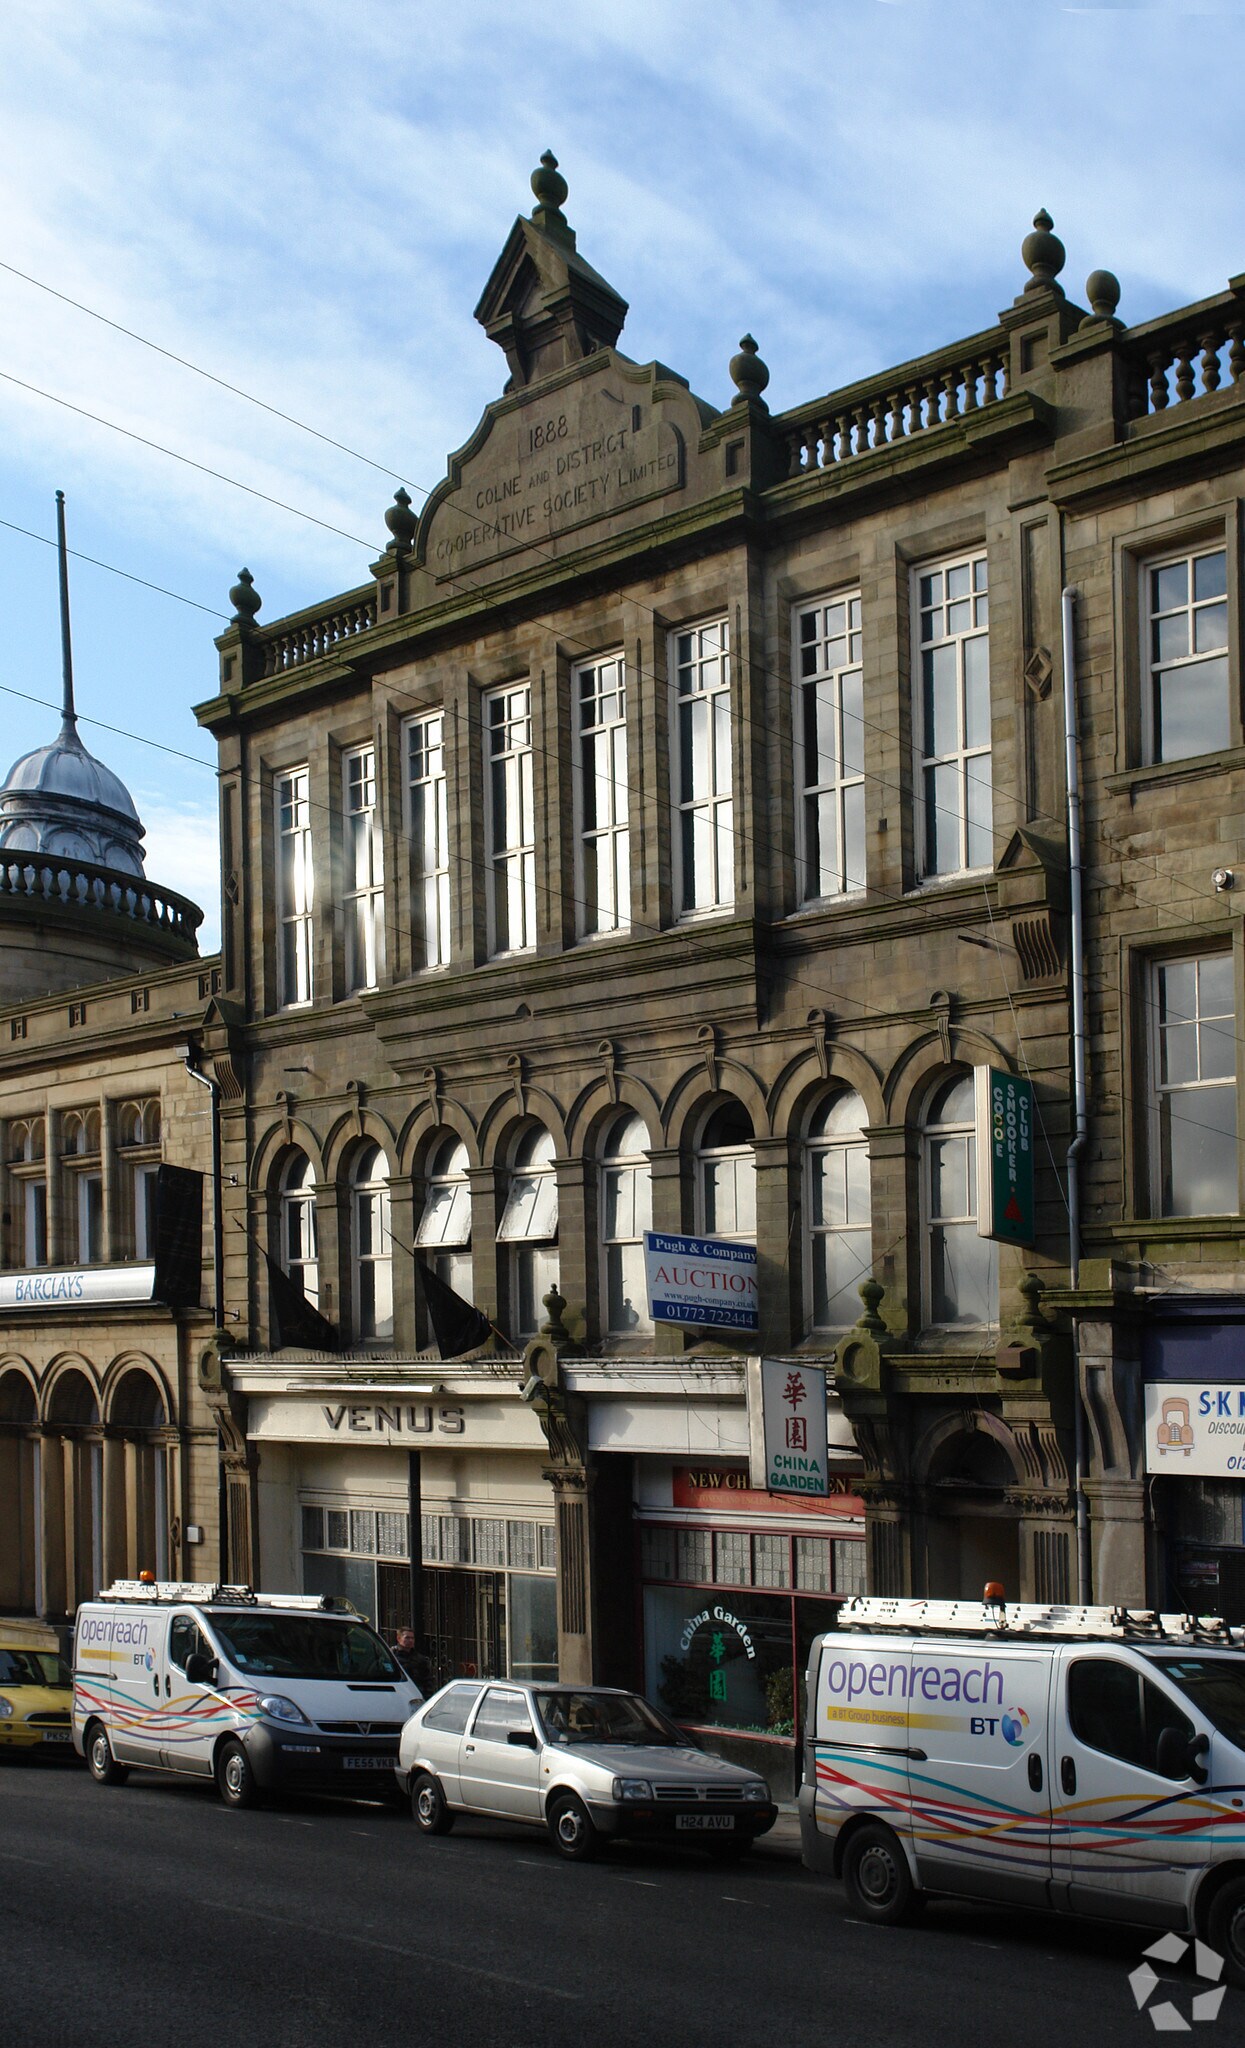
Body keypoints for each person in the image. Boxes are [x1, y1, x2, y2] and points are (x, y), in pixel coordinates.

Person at [391, 1627, 434, 1694]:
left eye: (412, 1638)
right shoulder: (392, 1656)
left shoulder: (419, 1659)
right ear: (399, 1638)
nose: (410, 1640)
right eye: (407, 1638)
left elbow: (427, 1679)